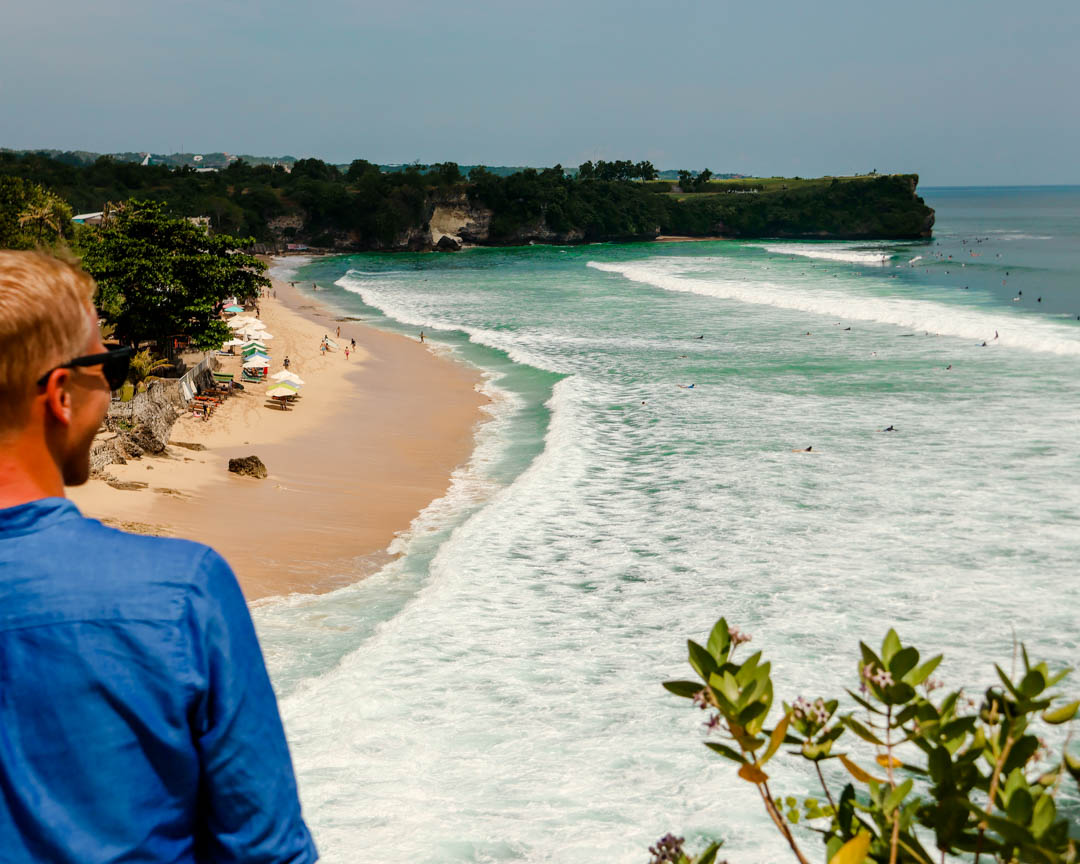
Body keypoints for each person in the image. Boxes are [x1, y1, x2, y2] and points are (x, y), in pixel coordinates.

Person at [0, 251, 317, 864]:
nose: (114, 383)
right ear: (62, 395)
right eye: (111, 367)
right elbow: (264, 848)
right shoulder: (176, 591)